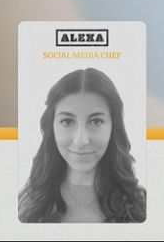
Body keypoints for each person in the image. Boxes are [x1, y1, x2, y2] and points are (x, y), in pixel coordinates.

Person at [18, 68, 146, 223]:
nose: (81, 141)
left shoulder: (142, 205)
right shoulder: (25, 205)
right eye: (67, 121)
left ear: (114, 127)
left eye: (96, 121)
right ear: (52, 126)